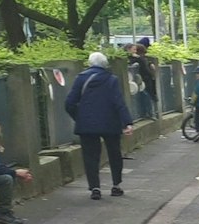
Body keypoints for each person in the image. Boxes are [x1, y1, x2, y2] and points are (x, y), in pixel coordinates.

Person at [66, 52, 132, 199]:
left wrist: (79, 117)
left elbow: (69, 103)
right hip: (110, 123)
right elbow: (118, 102)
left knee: (90, 156)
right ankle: (116, 186)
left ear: (89, 63)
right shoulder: (111, 80)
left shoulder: (81, 78)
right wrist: (127, 122)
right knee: (114, 154)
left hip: (87, 124)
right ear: (105, 64)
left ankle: (95, 188)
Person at [127, 41, 157, 121]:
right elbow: (142, 65)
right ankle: (148, 113)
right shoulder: (134, 59)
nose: (135, 51)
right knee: (146, 95)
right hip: (140, 80)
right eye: (134, 49)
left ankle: (148, 113)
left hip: (143, 80)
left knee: (147, 95)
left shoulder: (139, 58)